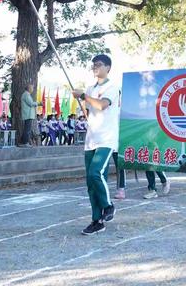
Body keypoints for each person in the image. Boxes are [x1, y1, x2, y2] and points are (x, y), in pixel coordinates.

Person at [72, 54, 119, 235]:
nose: (95, 68)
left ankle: (108, 206)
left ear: (108, 68)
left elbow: (102, 105)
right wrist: (83, 99)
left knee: (96, 172)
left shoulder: (113, 88)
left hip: (106, 139)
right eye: (93, 65)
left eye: (98, 65)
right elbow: (91, 112)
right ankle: (96, 220)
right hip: (91, 139)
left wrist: (83, 95)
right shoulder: (91, 88)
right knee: (91, 182)